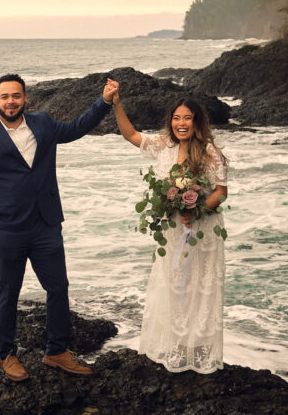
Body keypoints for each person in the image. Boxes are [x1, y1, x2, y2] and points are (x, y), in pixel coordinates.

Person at [0, 73, 118, 382]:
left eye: (16, 96)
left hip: (47, 224)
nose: (11, 101)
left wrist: (104, 102)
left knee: (58, 287)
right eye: (5, 96)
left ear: (25, 98)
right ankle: (7, 354)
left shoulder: (44, 123)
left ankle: (57, 351)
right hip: (7, 229)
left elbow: (76, 128)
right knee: (8, 292)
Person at [110, 80, 229, 374]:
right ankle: (174, 346)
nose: (181, 123)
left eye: (187, 118)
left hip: (202, 230)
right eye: (176, 118)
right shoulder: (163, 146)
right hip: (173, 230)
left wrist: (199, 209)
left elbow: (221, 191)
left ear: (197, 121)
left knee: (198, 285)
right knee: (173, 283)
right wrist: (115, 103)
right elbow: (129, 134)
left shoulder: (210, 152)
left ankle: (197, 350)